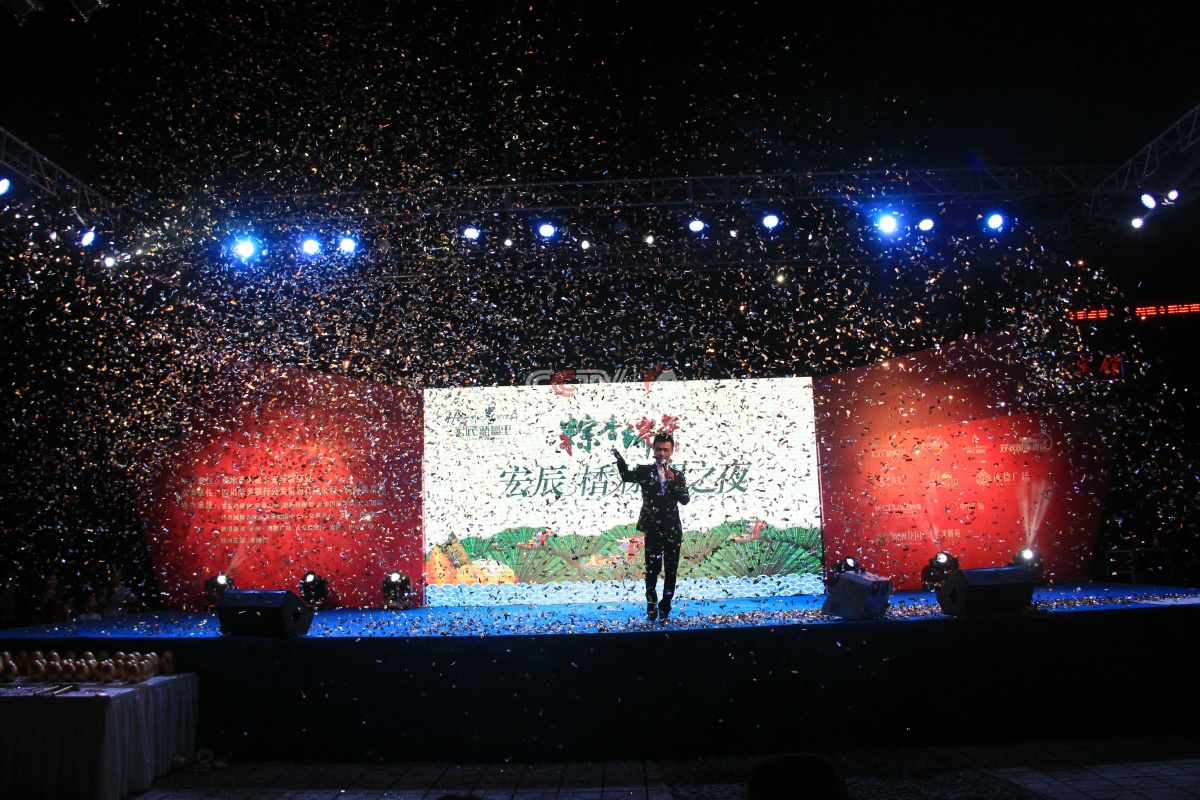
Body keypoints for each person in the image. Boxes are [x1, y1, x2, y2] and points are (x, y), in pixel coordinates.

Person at [614, 432, 690, 622]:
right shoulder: (644, 471)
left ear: (671, 452)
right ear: (653, 450)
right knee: (652, 569)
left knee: (671, 569)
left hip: (672, 528)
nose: (662, 453)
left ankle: (665, 606)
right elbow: (626, 476)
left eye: (666, 450)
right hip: (652, 527)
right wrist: (619, 459)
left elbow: (685, 499)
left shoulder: (678, 475)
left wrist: (672, 480)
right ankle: (651, 604)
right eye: (659, 449)